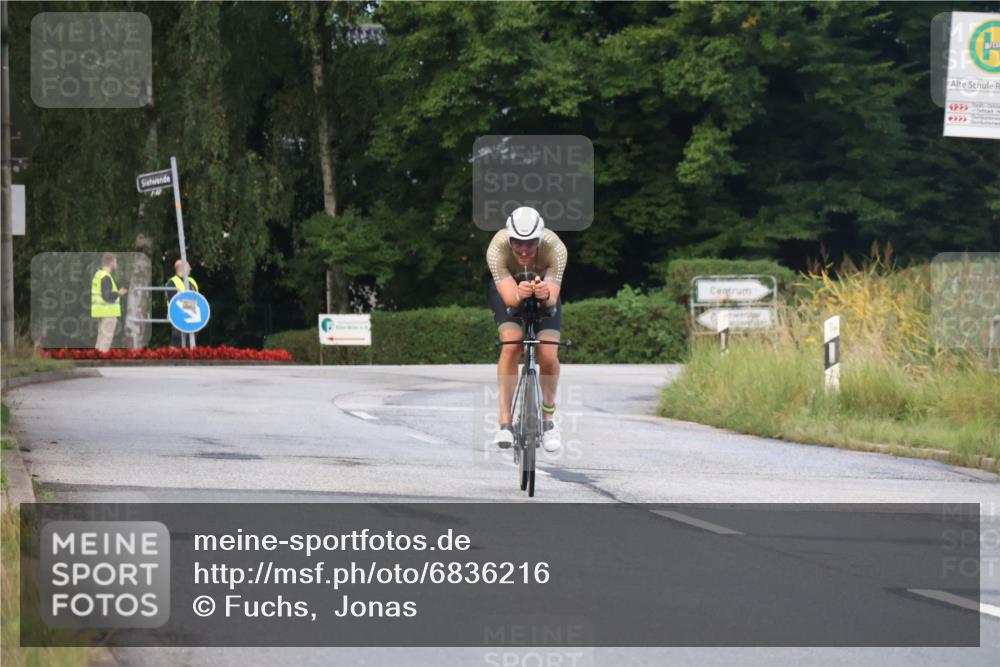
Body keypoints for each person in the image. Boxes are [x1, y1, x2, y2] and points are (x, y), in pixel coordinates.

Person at [486, 206, 567, 454]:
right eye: (517, 243)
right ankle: (505, 423)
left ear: (540, 239)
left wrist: (544, 294)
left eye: (530, 243)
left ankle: (548, 420)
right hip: (509, 288)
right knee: (512, 343)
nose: (523, 250)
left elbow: (551, 299)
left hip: (544, 291)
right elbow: (510, 299)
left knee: (548, 354)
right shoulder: (496, 248)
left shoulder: (556, 248)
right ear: (509, 239)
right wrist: (518, 295)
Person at [90, 252, 128, 352]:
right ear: (111, 262)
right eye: (115, 261)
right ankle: (101, 358)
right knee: (106, 339)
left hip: (101, 311)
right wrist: (119, 293)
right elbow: (106, 296)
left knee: (101, 338)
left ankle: (96, 357)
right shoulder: (106, 277)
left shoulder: (98, 275)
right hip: (108, 312)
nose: (116, 264)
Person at [164, 260, 200, 347]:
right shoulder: (172, 282)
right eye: (188, 266)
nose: (190, 269)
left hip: (193, 318)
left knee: (191, 343)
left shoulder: (192, 281)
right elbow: (174, 302)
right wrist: (193, 306)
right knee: (177, 342)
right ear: (182, 268)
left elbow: (198, 299)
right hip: (177, 317)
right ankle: (169, 356)